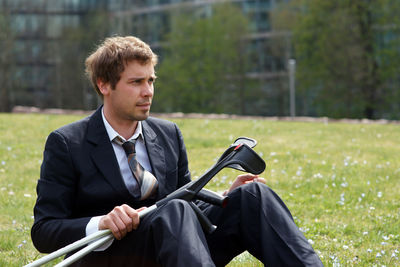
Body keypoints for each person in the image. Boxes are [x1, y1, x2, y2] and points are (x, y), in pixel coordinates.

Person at [31, 36, 323, 267]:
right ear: (104, 84)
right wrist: (101, 223)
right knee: (174, 211)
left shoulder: (167, 133)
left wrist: (222, 199)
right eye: (136, 82)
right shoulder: (67, 143)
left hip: (177, 249)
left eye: (151, 81)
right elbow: (44, 231)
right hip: (113, 255)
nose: (148, 92)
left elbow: (184, 202)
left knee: (252, 196)